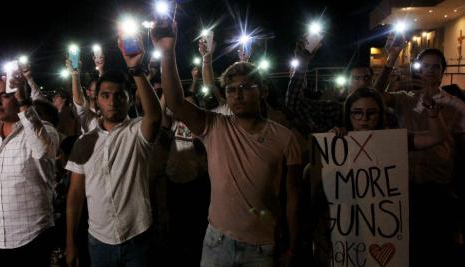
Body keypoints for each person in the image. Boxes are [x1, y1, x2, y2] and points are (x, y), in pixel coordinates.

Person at [153, 22, 302, 266]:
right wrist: (168, 52)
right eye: (231, 90)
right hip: (217, 242)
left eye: (245, 88)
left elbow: (294, 199)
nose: (237, 95)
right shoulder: (215, 126)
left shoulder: (286, 139)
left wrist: (293, 248)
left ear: (263, 91)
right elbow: (175, 102)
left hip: (261, 248)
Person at [308, 87, 447, 266]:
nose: (364, 119)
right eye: (357, 113)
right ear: (348, 114)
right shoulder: (337, 141)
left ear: (380, 114)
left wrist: (433, 114)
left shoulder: (393, 140)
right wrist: (328, 146)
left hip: (383, 228)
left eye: (371, 113)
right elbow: (314, 179)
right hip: (346, 231)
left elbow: (436, 137)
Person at [65, 33, 162, 267]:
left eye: (119, 96)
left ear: (129, 100)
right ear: (96, 100)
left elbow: (155, 116)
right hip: (99, 241)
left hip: (138, 237)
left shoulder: (137, 132)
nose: (112, 102)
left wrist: (136, 69)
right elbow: (76, 194)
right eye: (105, 96)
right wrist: (70, 241)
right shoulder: (84, 141)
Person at [373, 47, 465, 266]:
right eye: (425, 66)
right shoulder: (404, 99)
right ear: (418, 70)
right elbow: (375, 96)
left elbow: (461, 150)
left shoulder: (457, 105)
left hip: (439, 186)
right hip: (405, 185)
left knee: (437, 249)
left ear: (443, 72)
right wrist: (391, 60)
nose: (430, 71)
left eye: (436, 67)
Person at [0, 74, 59, 266]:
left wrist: (24, 102)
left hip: (33, 235)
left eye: (5, 95)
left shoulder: (45, 131)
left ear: (20, 97)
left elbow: (42, 149)